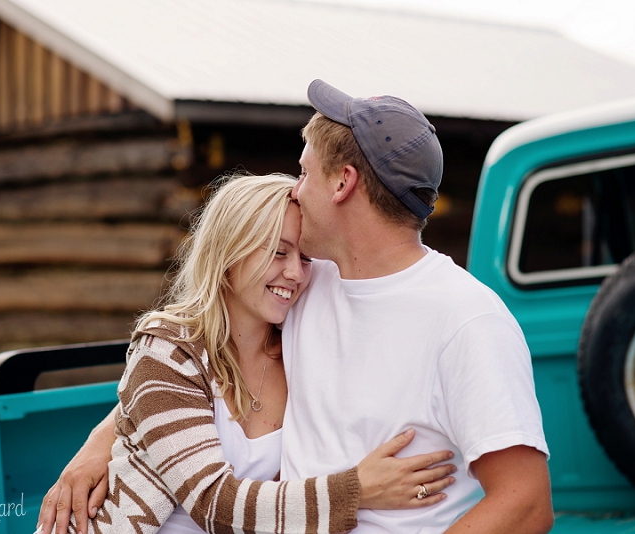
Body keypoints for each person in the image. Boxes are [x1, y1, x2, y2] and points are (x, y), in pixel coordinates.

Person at [41, 80, 554, 533]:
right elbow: (191, 367)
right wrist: (102, 439)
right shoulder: (312, 283)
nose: (296, 187)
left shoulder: (466, 319)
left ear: (343, 182)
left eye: (305, 171)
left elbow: (526, 504)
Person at [37, 173, 457, 534]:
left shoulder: (299, 346)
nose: (295, 273)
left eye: (305, 257)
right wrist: (358, 490)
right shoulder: (168, 348)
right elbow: (213, 504)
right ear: (228, 254)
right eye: (277, 251)